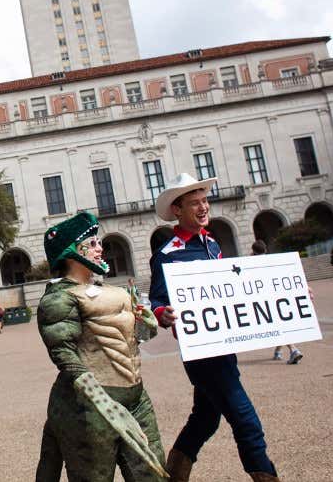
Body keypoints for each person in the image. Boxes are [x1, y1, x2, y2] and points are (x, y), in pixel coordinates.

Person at [149, 174, 281, 482]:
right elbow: (157, 300)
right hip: (201, 353)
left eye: (205, 200)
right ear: (177, 210)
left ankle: (174, 474)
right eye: (194, 203)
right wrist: (162, 314)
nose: (203, 207)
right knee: (246, 420)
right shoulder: (167, 254)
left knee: (206, 419)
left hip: (224, 347)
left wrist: (286, 293)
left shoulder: (212, 245)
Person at [36, 211, 166, 481]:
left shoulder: (111, 291)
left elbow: (136, 339)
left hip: (135, 397)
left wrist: (147, 321)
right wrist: (101, 401)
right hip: (89, 407)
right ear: (72, 252)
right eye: (92, 243)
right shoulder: (58, 298)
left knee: (153, 474)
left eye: (99, 242)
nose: (100, 248)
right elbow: (62, 352)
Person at [251, 241, 304, 366]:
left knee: (277, 325)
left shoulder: (252, 264)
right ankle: (278, 351)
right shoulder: (273, 260)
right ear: (266, 249)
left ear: (253, 251)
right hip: (279, 297)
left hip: (264, 299)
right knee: (279, 324)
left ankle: (293, 349)